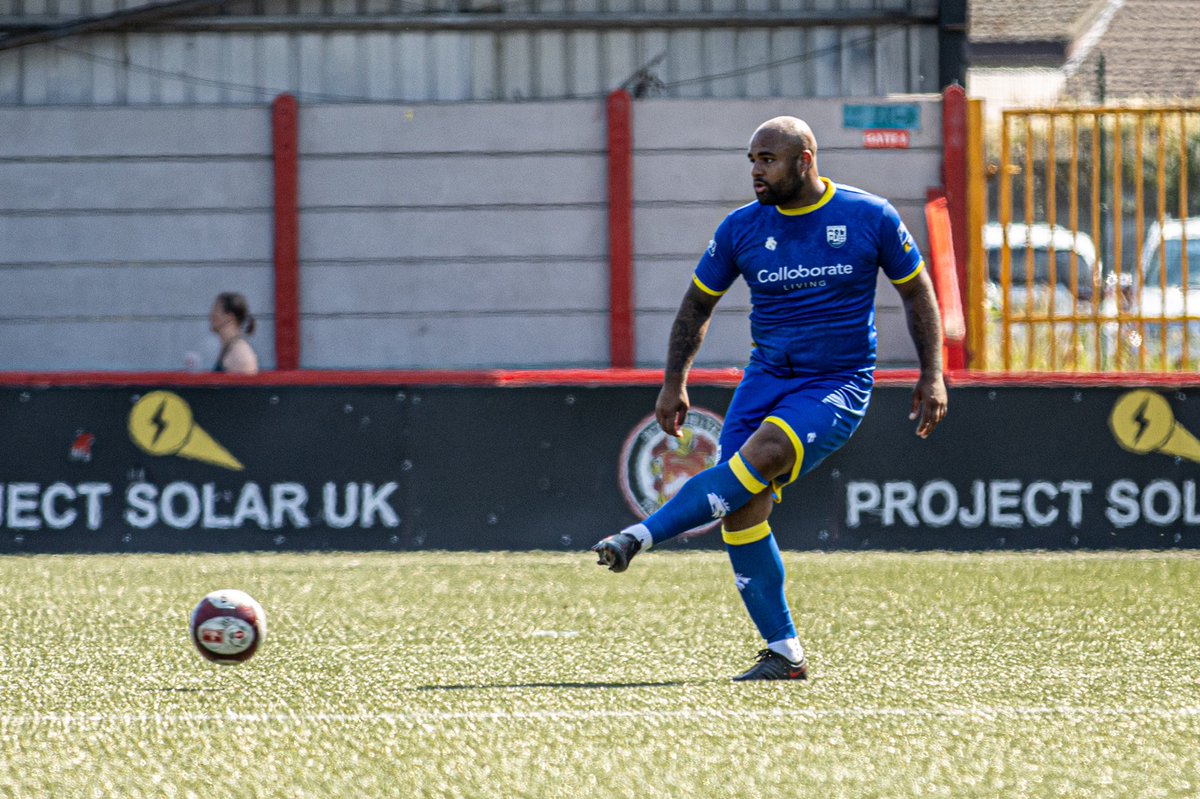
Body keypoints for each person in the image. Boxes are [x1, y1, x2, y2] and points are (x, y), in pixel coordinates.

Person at [591, 116, 948, 681]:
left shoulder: (869, 215)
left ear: (805, 160)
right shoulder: (741, 229)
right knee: (742, 510)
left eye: (767, 160)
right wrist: (673, 380)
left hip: (836, 381)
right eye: (752, 160)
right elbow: (696, 307)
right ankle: (785, 653)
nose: (756, 171)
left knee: (764, 455)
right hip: (765, 380)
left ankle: (639, 535)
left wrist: (933, 373)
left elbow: (916, 291)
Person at [210, 292, 259, 375]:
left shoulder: (240, 355)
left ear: (230, 317)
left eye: (216, 310)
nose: (211, 315)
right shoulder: (229, 348)